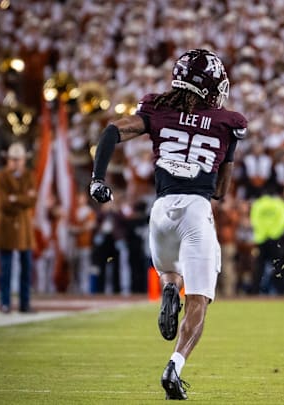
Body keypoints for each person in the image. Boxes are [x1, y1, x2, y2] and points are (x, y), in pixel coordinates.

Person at [89, 49, 247, 400]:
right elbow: (221, 190)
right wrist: (229, 153)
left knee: (171, 271)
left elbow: (111, 131)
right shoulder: (228, 121)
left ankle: (169, 286)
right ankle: (175, 365)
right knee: (201, 298)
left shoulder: (157, 107)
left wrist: (98, 179)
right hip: (196, 208)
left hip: (160, 210)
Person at [0, 143, 37, 314]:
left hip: (24, 227)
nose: (16, 163)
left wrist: (14, 198)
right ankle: (5, 303)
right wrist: (22, 199)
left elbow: (32, 200)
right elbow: (2, 203)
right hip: (6, 226)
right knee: (6, 268)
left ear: (24, 160)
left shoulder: (29, 176)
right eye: (13, 159)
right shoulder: (0, 177)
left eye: (19, 159)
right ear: (8, 160)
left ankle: (25, 303)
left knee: (26, 267)